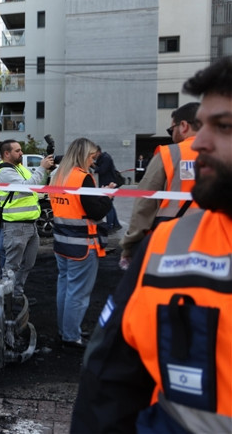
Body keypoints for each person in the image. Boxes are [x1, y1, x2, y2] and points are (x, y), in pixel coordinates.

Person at [70, 56, 231, 433]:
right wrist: (131, 244)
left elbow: (144, 202)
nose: (200, 143)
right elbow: (109, 384)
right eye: (202, 125)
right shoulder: (165, 250)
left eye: (222, 126)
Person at [119, 102, 202, 269]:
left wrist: (130, 245)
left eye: (171, 130)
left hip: (173, 242)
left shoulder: (170, 154)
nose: (171, 135)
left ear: (184, 126)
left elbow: (144, 204)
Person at [48, 138, 113, 350]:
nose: (93, 161)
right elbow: (95, 211)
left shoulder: (57, 176)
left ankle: (66, 329)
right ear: (84, 155)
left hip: (61, 242)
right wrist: (107, 196)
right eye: (92, 157)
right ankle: (70, 335)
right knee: (78, 293)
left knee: (65, 288)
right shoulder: (82, 179)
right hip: (82, 246)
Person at [0, 139, 55, 303]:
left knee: (27, 264)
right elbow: (27, 186)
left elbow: (37, 183)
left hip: (30, 225)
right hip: (16, 226)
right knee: (11, 267)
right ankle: (5, 301)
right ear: (7, 154)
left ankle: (17, 295)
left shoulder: (19, 168)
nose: (21, 153)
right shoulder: (5, 172)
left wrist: (46, 171)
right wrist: (42, 167)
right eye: (18, 151)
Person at [93, 146, 122, 231]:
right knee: (110, 204)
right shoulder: (101, 158)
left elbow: (101, 170)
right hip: (106, 183)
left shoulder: (106, 158)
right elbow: (98, 168)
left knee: (108, 204)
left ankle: (110, 226)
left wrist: (92, 165)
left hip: (110, 184)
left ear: (98, 152)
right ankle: (116, 224)